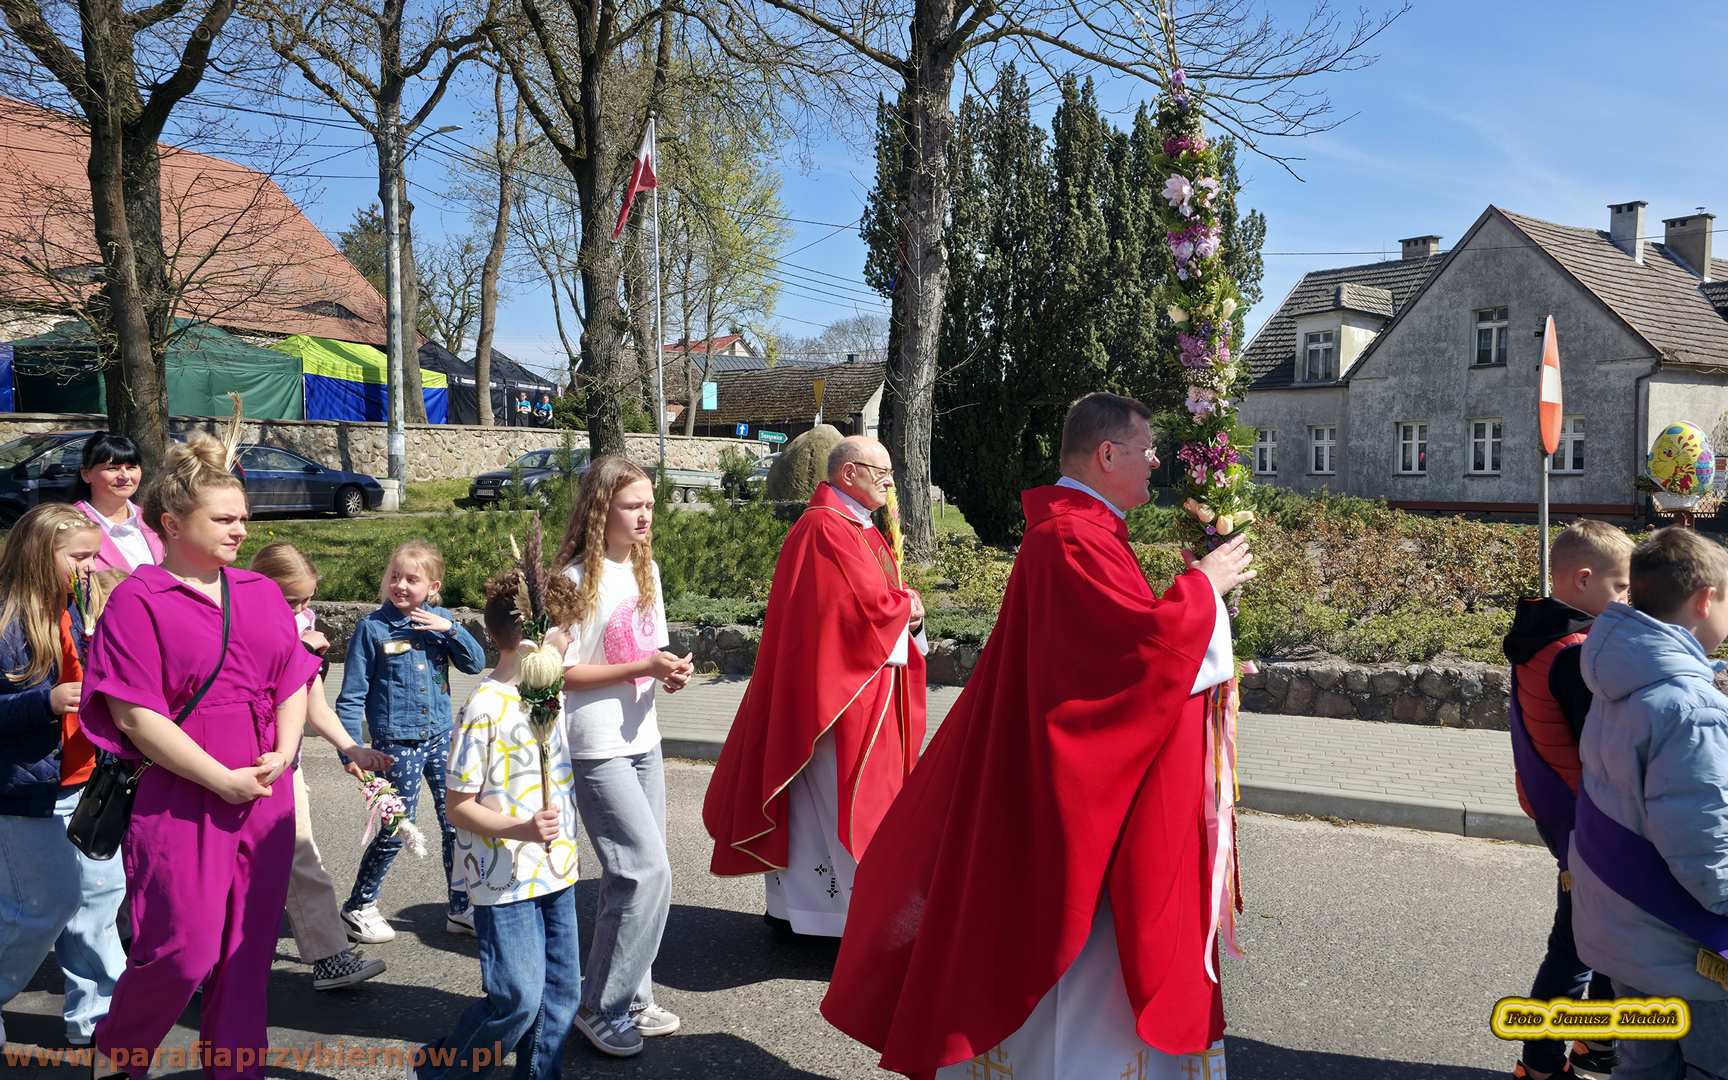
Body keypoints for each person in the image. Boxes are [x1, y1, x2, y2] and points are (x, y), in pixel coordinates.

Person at [820, 392, 1254, 1079]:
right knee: (1070, 965)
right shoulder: (1071, 537)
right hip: (1065, 788)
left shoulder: (1086, 528)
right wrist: (1202, 588)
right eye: (1146, 449)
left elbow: (1120, 647)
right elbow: (1124, 658)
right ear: (1107, 454)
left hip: (1063, 771)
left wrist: (1206, 651)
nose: (1155, 461)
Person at [77, 401, 321, 1078]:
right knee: (181, 951)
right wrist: (220, 778)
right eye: (223, 519)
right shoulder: (138, 599)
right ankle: (117, 1058)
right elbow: (134, 716)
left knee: (246, 956)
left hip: (264, 792)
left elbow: (293, 677)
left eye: (242, 517)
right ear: (172, 523)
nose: (240, 529)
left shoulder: (260, 591)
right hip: (182, 795)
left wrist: (285, 752)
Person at [703, 435, 927, 939]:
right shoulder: (824, 527)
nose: (890, 483)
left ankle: (814, 917)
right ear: (848, 473)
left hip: (859, 686)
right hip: (836, 698)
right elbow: (849, 611)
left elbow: (874, 598)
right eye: (881, 472)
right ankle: (840, 923)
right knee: (834, 803)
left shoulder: (858, 524)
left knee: (820, 808)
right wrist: (902, 609)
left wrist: (906, 611)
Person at [412, 569, 584, 1080]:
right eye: (566, 633)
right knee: (517, 998)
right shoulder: (484, 708)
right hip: (503, 878)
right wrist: (522, 829)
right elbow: (458, 806)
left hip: (557, 869)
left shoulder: (547, 694)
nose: (571, 642)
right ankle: (441, 1068)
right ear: (537, 638)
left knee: (561, 993)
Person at [1570, 526, 1728, 1076]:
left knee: (1643, 1066)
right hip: (1686, 953)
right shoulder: (1692, 707)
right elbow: (1705, 844)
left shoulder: (1620, 679)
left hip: (1625, 930)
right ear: (1705, 599)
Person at [550, 455, 692, 1057]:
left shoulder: (645, 569)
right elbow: (560, 672)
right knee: (644, 871)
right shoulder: (573, 578)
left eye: (650, 505)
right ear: (601, 509)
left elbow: (652, 649)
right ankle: (599, 1007)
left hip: (643, 742)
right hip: (597, 745)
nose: (645, 515)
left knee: (633, 877)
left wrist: (670, 672)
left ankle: (632, 996)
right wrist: (644, 666)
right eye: (633, 505)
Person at [1502, 520, 1632, 1080]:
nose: (1628, 598)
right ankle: (1539, 1063)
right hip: (1589, 822)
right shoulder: (1574, 653)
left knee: (1607, 934)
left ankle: (1596, 1041)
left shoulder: (1542, 634)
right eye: (1621, 586)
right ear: (1583, 579)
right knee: (1576, 948)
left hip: (1564, 811)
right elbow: (1602, 746)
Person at [0, 504, 125, 1049]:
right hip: (26, 790)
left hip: (86, 780)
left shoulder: (77, 608)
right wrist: (44, 702)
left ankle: (99, 1018)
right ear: (38, 555)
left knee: (100, 900)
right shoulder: (7, 623)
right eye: (79, 557)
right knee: (43, 906)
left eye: (94, 555)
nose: (91, 567)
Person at [248, 543, 393, 991]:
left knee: (300, 854)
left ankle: (329, 954)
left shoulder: (300, 625)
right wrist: (299, 649)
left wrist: (351, 748)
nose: (301, 610)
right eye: (292, 601)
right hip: (243, 759)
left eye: (307, 600)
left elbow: (314, 704)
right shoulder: (240, 623)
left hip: (283, 762)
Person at [336, 541, 486, 943]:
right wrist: (350, 749)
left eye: (412, 579)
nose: (400, 585)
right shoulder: (373, 629)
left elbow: (475, 663)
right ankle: (359, 906)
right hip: (395, 747)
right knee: (396, 825)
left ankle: (461, 907)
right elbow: (350, 696)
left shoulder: (441, 621)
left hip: (440, 739)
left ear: (432, 587)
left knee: (457, 822)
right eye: (395, 577)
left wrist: (450, 630)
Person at [72, 432, 163, 573]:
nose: (125, 476)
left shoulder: (153, 521)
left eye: (131, 467)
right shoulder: (69, 525)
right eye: (112, 468)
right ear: (86, 474)